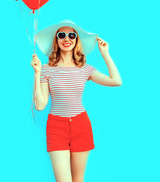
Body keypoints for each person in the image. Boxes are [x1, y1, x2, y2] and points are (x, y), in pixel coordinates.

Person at [30, 20, 122, 182]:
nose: (67, 38)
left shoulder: (85, 69)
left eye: (72, 35)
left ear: (76, 40)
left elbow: (116, 81)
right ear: (56, 40)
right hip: (56, 127)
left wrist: (105, 53)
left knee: (78, 180)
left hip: (81, 125)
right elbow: (40, 105)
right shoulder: (46, 69)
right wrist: (37, 74)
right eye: (62, 35)